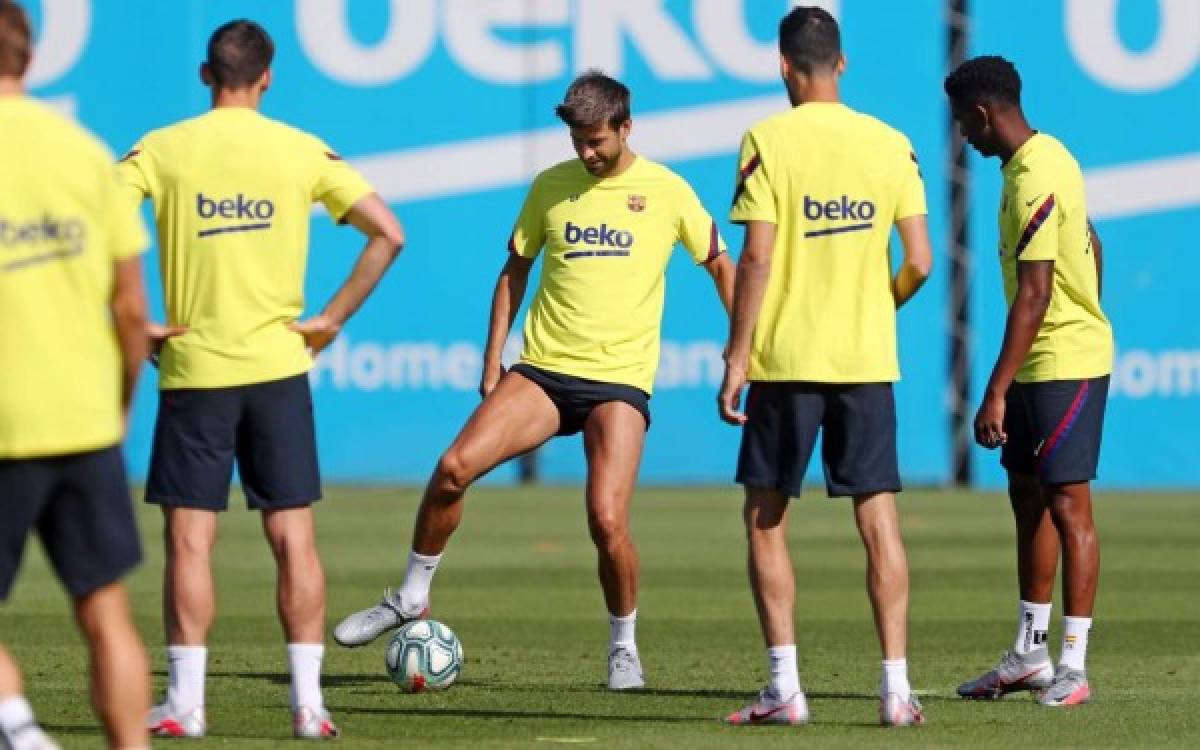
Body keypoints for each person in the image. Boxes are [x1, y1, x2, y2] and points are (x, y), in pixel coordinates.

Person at [334, 70, 734, 690]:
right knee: (452, 467)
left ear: (626, 128)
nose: (586, 152)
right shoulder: (550, 186)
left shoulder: (668, 190)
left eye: (597, 140)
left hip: (619, 381)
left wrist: (741, 349)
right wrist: (493, 359)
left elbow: (721, 264)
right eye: (577, 141)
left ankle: (624, 645)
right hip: (545, 372)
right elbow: (514, 270)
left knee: (606, 520)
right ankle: (412, 596)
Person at [117, 19, 404, 739]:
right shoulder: (300, 149)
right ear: (267, 76)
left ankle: (186, 704)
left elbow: (94, 226)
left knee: (190, 543)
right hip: (280, 367)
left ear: (206, 74)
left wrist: (131, 319)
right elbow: (388, 233)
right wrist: (330, 319)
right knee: (293, 538)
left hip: (196, 367)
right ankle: (309, 705)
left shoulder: (163, 148)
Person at [717, 6, 933, 728]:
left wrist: (737, 354)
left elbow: (756, 256)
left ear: (783, 66)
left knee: (765, 518)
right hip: (866, 358)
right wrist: (876, 308)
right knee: (879, 521)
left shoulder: (767, 140)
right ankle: (897, 691)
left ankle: (786, 687)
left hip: (787, 360)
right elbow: (923, 263)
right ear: (841, 64)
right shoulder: (892, 143)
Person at [0, 2, 153, 748]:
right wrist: (117, 404)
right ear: (29, 59)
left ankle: (18, 726)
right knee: (104, 608)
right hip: (83, 420)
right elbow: (131, 307)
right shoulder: (85, 153)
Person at [946, 55, 1111, 708]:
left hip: (1061, 363)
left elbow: (1037, 293)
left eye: (964, 123)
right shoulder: (1032, 164)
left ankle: (1073, 666)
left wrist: (994, 389)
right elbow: (1093, 240)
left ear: (984, 114)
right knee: (1029, 499)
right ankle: (1028, 654)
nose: (963, 136)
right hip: (1042, 360)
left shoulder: (1038, 172)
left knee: (1070, 506)